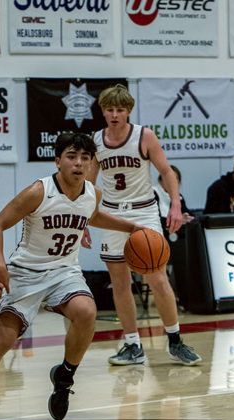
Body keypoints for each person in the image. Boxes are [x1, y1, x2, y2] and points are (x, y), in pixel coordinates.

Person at [0, 132, 143, 420]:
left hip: (64, 272)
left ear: (91, 164)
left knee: (86, 311)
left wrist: (130, 227)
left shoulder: (93, 193)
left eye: (85, 158)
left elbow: (93, 216)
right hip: (25, 274)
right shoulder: (39, 191)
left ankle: (64, 379)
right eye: (71, 157)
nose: (79, 163)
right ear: (57, 161)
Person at [85, 84, 202, 367]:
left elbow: (166, 172)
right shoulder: (95, 141)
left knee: (158, 279)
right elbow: (87, 185)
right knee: (120, 283)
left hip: (144, 213)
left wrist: (175, 205)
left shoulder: (144, 136)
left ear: (128, 111)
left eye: (120, 110)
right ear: (102, 111)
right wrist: (82, 220)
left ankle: (175, 341)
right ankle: (133, 345)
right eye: (110, 110)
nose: (115, 115)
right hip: (113, 215)